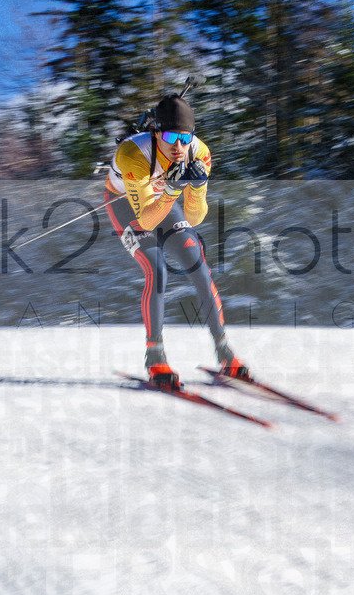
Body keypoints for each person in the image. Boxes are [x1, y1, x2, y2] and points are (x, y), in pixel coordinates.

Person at [103, 93, 249, 388]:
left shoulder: (200, 153)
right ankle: (155, 356)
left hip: (163, 201)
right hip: (126, 205)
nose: (179, 147)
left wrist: (198, 186)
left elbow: (194, 217)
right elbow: (147, 220)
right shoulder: (133, 153)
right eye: (171, 137)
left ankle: (224, 350)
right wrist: (171, 190)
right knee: (156, 270)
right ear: (156, 132)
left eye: (185, 137)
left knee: (199, 268)